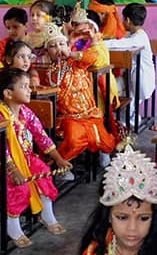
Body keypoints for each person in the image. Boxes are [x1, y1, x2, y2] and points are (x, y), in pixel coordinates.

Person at [0, 68, 71, 247]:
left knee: (44, 171)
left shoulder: (25, 112)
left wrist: (58, 158)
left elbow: (41, 136)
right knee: (17, 185)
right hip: (1, 161)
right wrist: (14, 169)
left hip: (25, 157)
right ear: (8, 93)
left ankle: (47, 216)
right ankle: (13, 226)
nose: (30, 89)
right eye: (24, 86)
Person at [39, 24, 116, 168]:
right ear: (47, 51)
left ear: (67, 45)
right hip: (70, 117)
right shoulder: (50, 73)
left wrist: (71, 53)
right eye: (53, 46)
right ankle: (63, 165)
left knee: (106, 141)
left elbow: (94, 57)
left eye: (61, 44)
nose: (59, 49)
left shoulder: (76, 62)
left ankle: (102, 152)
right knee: (75, 140)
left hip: (90, 113)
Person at [104, 2, 156, 114]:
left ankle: (126, 122)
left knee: (126, 102)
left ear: (127, 20)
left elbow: (120, 44)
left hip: (142, 82)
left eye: (123, 19)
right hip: (136, 79)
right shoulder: (136, 35)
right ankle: (127, 121)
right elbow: (120, 41)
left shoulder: (139, 38)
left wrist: (98, 43)